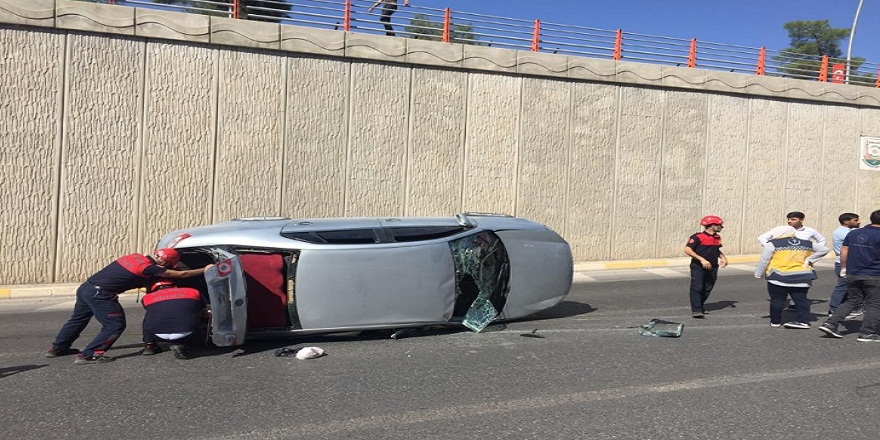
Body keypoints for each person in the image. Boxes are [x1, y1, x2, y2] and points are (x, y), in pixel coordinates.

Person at [45, 248, 212, 365]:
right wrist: (204, 269)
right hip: (100, 293)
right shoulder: (149, 268)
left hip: (86, 288)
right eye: (168, 265)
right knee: (115, 325)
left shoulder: (134, 256)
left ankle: (57, 348)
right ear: (164, 262)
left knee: (78, 319)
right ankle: (89, 355)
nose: (165, 268)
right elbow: (180, 274)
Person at [818, 209, 880, 341]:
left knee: (853, 300)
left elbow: (844, 250)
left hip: (853, 272)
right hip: (874, 274)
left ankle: (831, 323)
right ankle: (867, 332)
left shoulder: (854, 233)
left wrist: (844, 268)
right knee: (875, 304)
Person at [754, 226, 829, 328]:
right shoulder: (806, 243)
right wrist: (810, 260)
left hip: (778, 277)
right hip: (802, 276)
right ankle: (803, 321)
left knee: (777, 300)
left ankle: (775, 321)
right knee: (801, 299)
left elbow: (764, 260)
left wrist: (759, 273)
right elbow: (824, 249)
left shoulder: (773, 244)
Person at [141, 279, 208, 360]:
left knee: (148, 317)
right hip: (189, 333)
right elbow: (206, 310)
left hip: (157, 335)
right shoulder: (193, 291)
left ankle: (149, 345)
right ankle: (194, 343)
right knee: (201, 314)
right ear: (175, 286)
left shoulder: (146, 298)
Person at [684, 215, 728, 318]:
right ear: (712, 226)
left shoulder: (717, 237)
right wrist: (702, 260)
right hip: (698, 266)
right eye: (719, 225)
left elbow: (716, 250)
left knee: (708, 287)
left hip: (713, 266)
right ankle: (696, 309)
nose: (721, 227)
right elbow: (687, 250)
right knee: (697, 287)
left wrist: (723, 257)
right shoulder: (697, 237)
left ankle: (700, 305)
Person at [827, 213, 860, 316]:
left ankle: (845, 308)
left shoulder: (849, 231)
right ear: (846, 221)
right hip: (844, 262)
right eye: (855, 220)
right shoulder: (843, 232)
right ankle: (834, 309)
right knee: (843, 286)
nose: (858, 222)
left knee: (850, 286)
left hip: (850, 262)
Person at [757, 211, 827, 247]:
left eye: (793, 219)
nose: (789, 221)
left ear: (801, 220)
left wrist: (811, 249)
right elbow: (761, 238)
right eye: (788, 219)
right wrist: (771, 247)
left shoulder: (810, 231)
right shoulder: (781, 230)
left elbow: (822, 240)